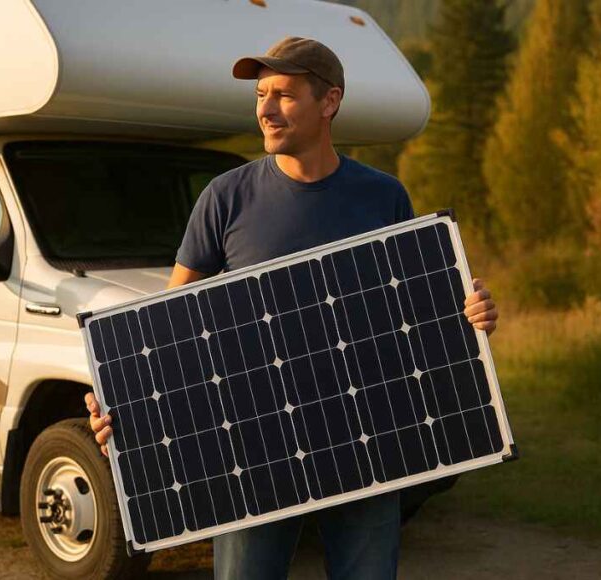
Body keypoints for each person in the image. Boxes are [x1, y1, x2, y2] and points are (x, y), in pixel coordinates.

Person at [84, 36, 499, 579]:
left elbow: (415, 316)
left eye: (282, 94)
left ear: (329, 102)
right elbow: (164, 329)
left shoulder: (383, 197)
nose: (264, 108)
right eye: (260, 94)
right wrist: (123, 400)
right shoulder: (225, 198)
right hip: (253, 453)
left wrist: (472, 319)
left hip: (365, 441)